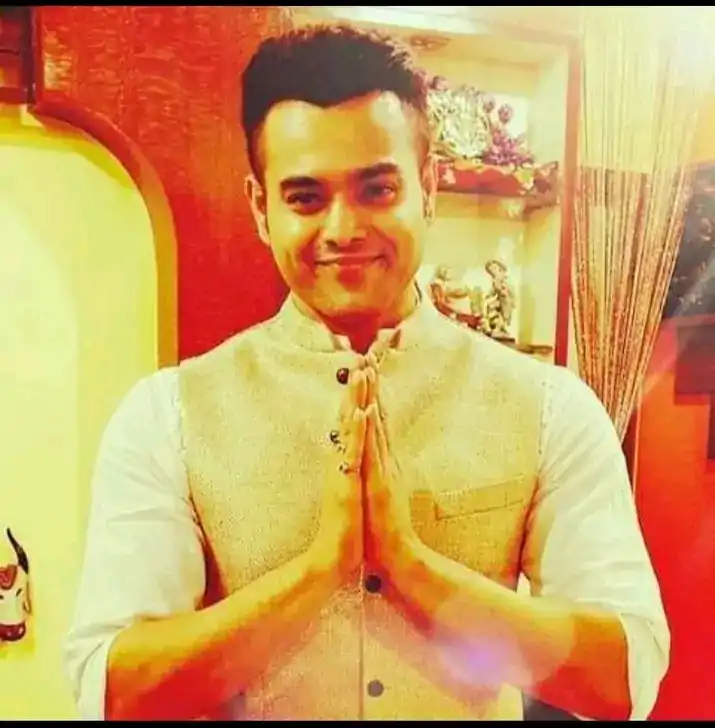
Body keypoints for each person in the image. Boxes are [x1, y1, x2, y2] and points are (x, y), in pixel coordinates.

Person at [63, 23, 670, 722]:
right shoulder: (165, 416)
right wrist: (319, 570)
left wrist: (411, 566)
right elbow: (113, 691)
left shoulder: (549, 407)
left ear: (428, 188)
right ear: (261, 208)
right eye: (305, 198)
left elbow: (625, 677)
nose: (343, 229)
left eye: (377, 189)